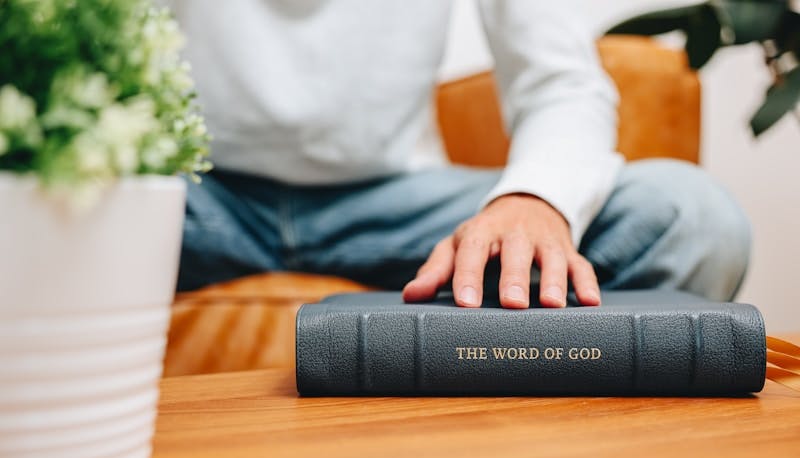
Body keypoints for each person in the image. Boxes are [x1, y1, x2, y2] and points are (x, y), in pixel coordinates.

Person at [167, 0, 750, 308]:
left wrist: (533, 199)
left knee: (695, 220)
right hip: (190, 198)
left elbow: (564, 83)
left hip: (396, 205)